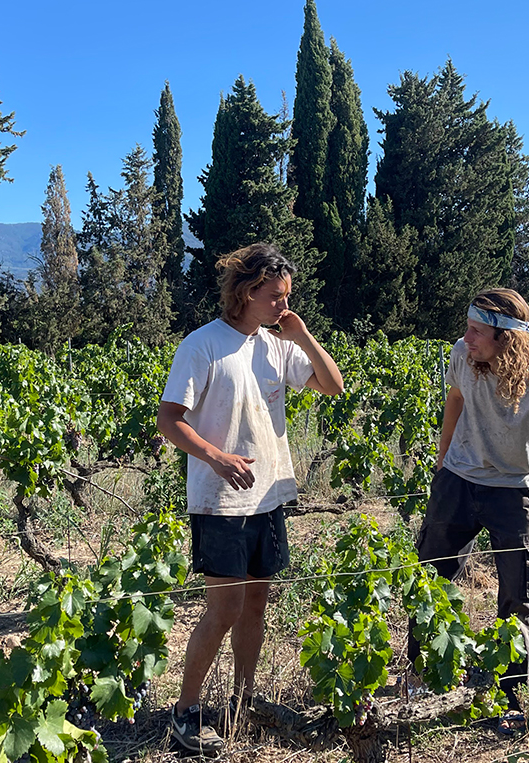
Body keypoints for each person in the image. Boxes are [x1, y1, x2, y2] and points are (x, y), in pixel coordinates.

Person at [157, 242, 344, 755]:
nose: (284, 305)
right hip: (220, 499)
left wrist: (302, 336)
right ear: (245, 292)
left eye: (287, 296)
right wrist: (217, 457)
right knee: (224, 610)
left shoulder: (277, 344)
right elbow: (169, 419)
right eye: (275, 296)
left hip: (267, 495)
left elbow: (333, 386)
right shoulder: (202, 345)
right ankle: (185, 712)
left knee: (256, 605)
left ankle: (243, 701)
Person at [407, 287, 529, 734]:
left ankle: (511, 697)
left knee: (518, 595)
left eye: (476, 331)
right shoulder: (463, 355)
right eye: (467, 328)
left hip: (514, 490)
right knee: (429, 579)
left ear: (506, 338)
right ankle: (422, 680)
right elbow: (455, 397)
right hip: (458, 480)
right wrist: (443, 458)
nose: (466, 338)